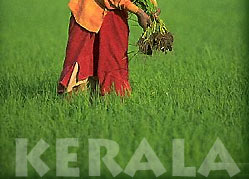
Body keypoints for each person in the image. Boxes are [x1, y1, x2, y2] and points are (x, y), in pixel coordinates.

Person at [57, 0, 158, 96]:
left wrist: (152, 6)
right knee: (82, 64)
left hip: (115, 13)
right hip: (88, 14)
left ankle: (109, 107)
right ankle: (77, 108)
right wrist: (139, 12)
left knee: (113, 65)